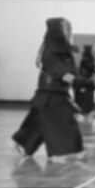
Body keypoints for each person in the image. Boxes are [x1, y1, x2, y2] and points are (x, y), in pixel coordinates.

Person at [12, 18, 88, 162]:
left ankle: (25, 143)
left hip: (58, 93)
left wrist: (84, 82)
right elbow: (63, 74)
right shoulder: (51, 51)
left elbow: (73, 72)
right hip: (49, 93)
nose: (69, 31)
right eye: (66, 28)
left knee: (40, 124)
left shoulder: (63, 49)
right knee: (61, 121)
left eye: (70, 28)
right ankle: (60, 152)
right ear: (58, 31)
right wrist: (84, 82)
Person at [73, 44, 95, 120]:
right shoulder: (86, 62)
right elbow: (83, 75)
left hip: (87, 85)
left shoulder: (88, 61)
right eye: (93, 51)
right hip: (84, 86)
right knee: (83, 104)